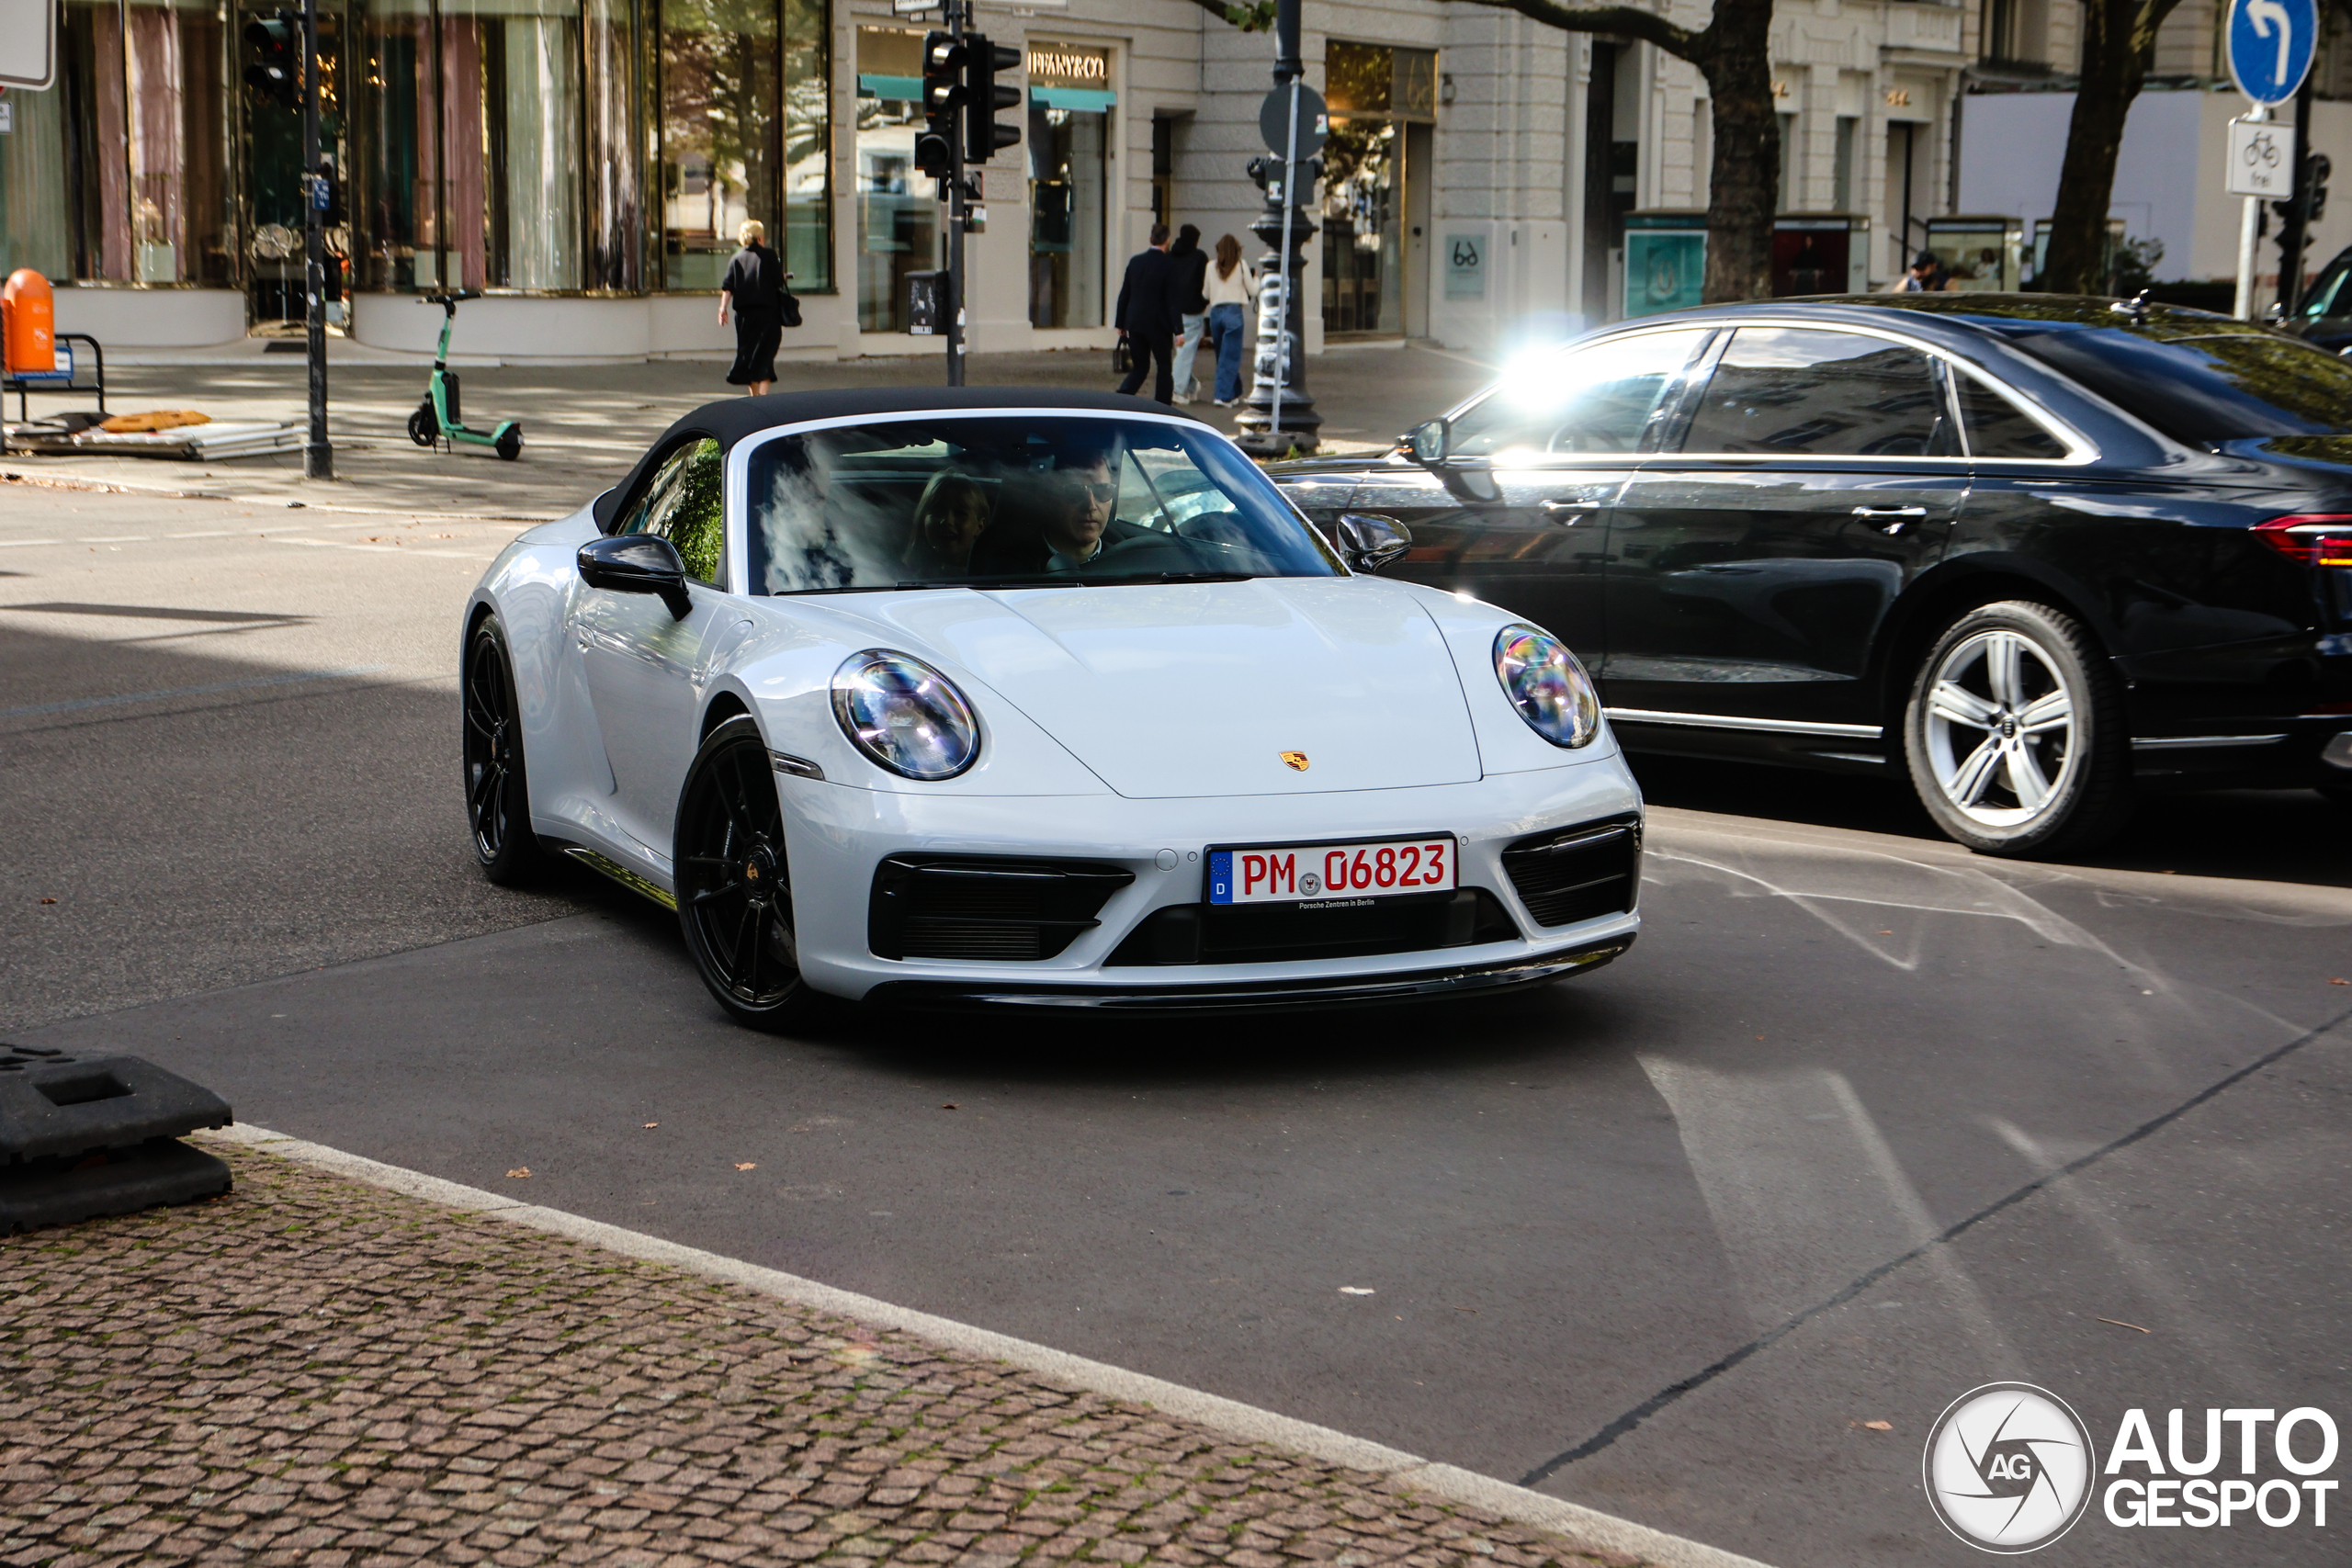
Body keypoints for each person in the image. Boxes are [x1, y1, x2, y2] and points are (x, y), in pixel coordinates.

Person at [1114, 224, 1182, 403]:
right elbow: (1172, 300)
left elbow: (1125, 293)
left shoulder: (1135, 262)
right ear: (1167, 240)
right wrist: (1178, 330)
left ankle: (1123, 396)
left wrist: (1120, 322)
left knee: (1140, 366)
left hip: (1135, 322)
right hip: (1159, 324)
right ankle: (1162, 404)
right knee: (1164, 367)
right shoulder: (1169, 264)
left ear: (1151, 238)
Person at [718, 220, 785, 395]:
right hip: (767, 314)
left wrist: (722, 309)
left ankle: (755, 396)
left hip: (744, 317)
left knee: (749, 355)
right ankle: (762, 396)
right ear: (760, 237)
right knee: (766, 354)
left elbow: (728, 286)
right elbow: (778, 282)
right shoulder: (769, 255)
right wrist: (782, 276)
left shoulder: (736, 258)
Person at [1043, 440, 1118, 571]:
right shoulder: (1013, 570)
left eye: (1103, 490)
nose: (1090, 506)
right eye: (1075, 492)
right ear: (1051, 498)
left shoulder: (1124, 561)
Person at [902, 472, 992, 579]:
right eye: (937, 511)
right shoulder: (908, 577)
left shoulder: (988, 575)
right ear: (923, 522)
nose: (947, 520)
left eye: (960, 513)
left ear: (979, 526)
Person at [1203, 234, 1257, 407]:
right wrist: (1257, 278)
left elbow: (1205, 293)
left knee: (1223, 355)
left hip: (1216, 313)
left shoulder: (1211, 266)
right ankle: (1223, 395)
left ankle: (1234, 392)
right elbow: (1253, 289)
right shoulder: (1241, 266)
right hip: (1234, 312)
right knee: (1231, 356)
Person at [1167, 224, 1211, 405]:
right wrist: (1203, 303)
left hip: (1171, 310)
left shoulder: (1169, 256)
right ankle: (1177, 389)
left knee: (1181, 351)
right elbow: (1204, 283)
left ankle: (1191, 385)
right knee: (1186, 351)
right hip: (1192, 310)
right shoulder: (1200, 257)